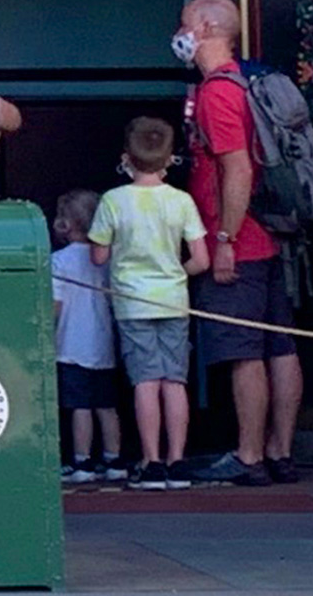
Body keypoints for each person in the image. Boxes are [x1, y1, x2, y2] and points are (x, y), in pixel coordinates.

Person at [176, 0, 302, 485]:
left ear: (206, 27)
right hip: (268, 241)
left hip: (239, 245)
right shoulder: (248, 84)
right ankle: (281, 451)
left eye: (185, 24)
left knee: (244, 351)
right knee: (281, 346)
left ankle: (249, 456)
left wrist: (223, 238)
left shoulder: (217, 93)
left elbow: (236, 169)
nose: (181, 33)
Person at [87, 116, 206, 493]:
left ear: (126, 158)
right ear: (170, 159)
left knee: (145, 381)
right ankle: (178, 461)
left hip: (133, 303)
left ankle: (151, 461)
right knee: (174, 381)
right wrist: (174, 273)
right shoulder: (181, 201)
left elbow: (98, 257)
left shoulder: (113, 201)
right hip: (173, 302)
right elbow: (201, 260)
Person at [48, 188, 124, 487]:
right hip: (103, 345)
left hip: (70, 345)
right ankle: (114, 459)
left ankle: (82, 460)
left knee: (80, 405)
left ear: (65, 224)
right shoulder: (105, 259)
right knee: (106, 405)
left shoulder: (59, 262)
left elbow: (55, 306)